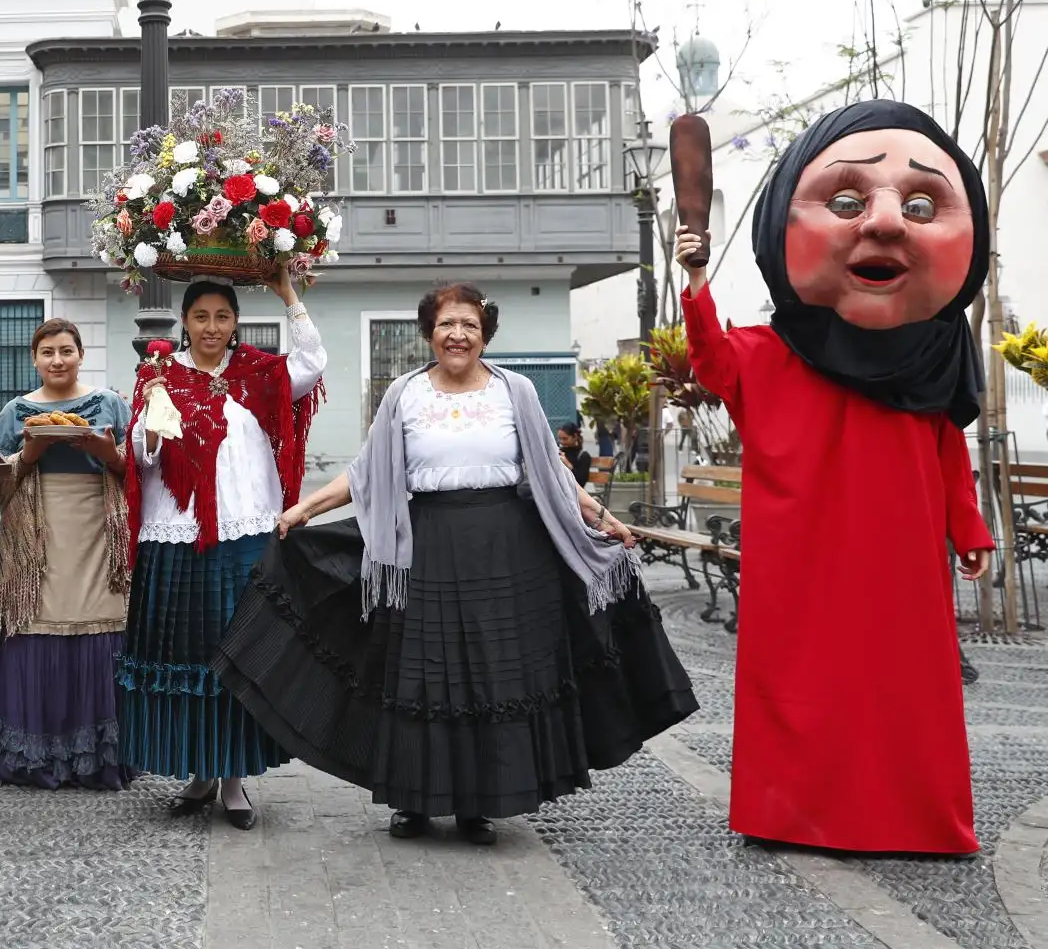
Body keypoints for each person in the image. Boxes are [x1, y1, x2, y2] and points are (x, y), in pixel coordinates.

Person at [214, 282, 698, 843]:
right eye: (447, 324)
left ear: (485, 333)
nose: (458, 335)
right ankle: (414, 803)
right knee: (423, 676)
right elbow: (367, 472)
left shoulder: (516, 393)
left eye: (469, 324)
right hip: (423, 548)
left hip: (507, 551)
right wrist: (304, 509)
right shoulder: (404, 394)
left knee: (490, 677)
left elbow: (551, 472)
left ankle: (478, 804)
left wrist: (597, 517)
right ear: (430, 333)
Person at [674, 98, 992, 855]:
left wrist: (967, 526)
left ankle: (911, 822)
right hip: (802, 553)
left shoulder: (931, 356)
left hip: (903, 557)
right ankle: (793, 814)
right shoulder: (770, 352)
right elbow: (712, 360)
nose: (883, 223)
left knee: (905, 690)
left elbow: (947, 446)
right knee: (803, 688)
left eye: (920, 202)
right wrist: (694, 279)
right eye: (847, 200)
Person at [121, 269, 323, 831]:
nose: (212, 327)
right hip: (176, 534)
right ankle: (198, 774)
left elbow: (311, 364)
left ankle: (232, 780)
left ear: (236, 323)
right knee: (184, 657)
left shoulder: (259, 374)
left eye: (223, 316)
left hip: (242, 534)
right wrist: (153, 431)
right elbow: (139, 455)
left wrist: (289, 296)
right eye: (200, 316)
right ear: (184, 322)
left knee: (236, 658)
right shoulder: (159, 374)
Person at [0, 319, 133, 789]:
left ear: (81, 354)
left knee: (100, 627)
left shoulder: (111, 406)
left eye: (66, 350)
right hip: (34, 541)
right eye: (47, 352)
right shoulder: (16, 413)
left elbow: (139, 475)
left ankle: (98, 757)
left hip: (98, 536)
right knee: (32, 628)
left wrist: (109, 455)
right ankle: (34, 755)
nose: (57, 360)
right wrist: (31, 454)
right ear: (34, 359)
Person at [558, 421, 593, 488]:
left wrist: (567, 464)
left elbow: (581, 482)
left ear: (575, 437)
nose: (561, 442)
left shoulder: (583, 456)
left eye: (565, 438)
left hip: (575, 492)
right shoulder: (560, 452)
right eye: (560, 438)